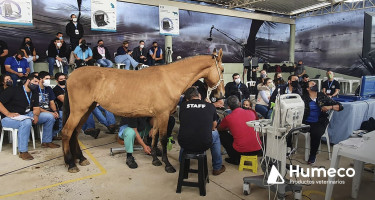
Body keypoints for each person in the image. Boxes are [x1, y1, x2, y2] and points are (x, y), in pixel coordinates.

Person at [178, 87, 225, 175]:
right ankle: (217, 168)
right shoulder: (210, 106)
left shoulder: (183, 106)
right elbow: (214, 125)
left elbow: (182, 122)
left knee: (186, 132)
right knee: (215, 133)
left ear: (187, 99)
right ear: (199, 96)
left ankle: (182, 162)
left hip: (184, 143)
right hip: (204, 144)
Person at [301, 80, 343, 164]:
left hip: (319, 121)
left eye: (315, 84)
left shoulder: (322, 96)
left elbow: (340, 106)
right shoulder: (303, 97)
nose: (315, 85)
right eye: (312, 84)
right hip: (305, 122)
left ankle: (312, 155)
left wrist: (329, 107)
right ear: (307, 88)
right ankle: (289, 149)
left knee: (316, 133)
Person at [0, 74, 39, 160]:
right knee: (26, 122)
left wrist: (36, 115)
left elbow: (36, 108)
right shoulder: (13, 90)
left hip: (25, 115)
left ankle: (47, 141)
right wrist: (8, 113)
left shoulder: (34, 93)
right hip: (8, 118)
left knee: (48, 117)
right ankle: (23, 151)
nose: (36, 84)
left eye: (38, 82)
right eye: (35, 82)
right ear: (28, 81)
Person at [218, 95, 262, 165]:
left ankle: (235, 159)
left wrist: (229, 127)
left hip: (242, 151)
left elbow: (220, 129)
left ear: (228, 107)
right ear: (239, 103)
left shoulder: (228, 118)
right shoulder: (252, 112)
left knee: (221, 134)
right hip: (258, 149)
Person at [36, 71, 60, 148]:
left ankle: (51, 136)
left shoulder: (48, 88)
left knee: (61, 115)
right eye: (46, 79)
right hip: (37, 112)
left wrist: (55, 111)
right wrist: (50, 113)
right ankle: (47, 141)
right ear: (40, 79)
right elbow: (35, 106)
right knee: (50, 117)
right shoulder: (35, 89)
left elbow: (52, 102)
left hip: (48, 110)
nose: (48, 80)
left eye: (49, 79)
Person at [52, 73, 66, 140]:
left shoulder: (69, 87)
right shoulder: (56, 89)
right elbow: (63, 100)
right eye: (61, 79)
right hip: (61, 108)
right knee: (61, 117)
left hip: (71, 107)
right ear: (57, 81)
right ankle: (53, 134)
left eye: (64, 79)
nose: (63, 80)